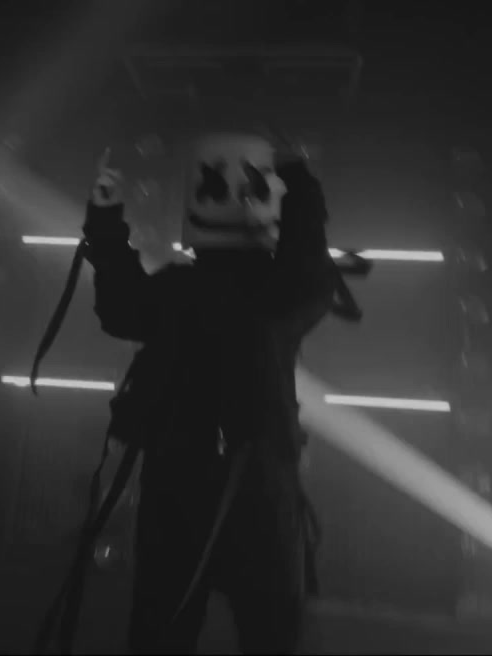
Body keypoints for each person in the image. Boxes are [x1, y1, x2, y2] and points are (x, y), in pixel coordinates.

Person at [82, 132, 338, 654]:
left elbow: (119, 304)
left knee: (162, 627)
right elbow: (311, 270)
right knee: (269, 630)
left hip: (179, 480)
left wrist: (105, 215)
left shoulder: (176, 291)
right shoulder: (278, 292)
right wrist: (298, 179)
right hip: (258, 482)